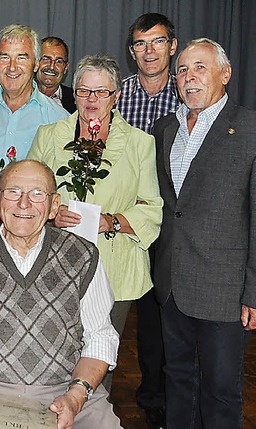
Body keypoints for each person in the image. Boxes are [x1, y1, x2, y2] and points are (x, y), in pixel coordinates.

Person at [0, 160, 121, 429]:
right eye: (13, 192)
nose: (24, 204)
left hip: (64, 389)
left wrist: (76, 397)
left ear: (53, 205)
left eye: (38, 194)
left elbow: (100, 337)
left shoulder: (83, 256)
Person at [27, 54, 163, 390]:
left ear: (116, 96)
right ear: (74, 94)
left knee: (101, 355)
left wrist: (112, 222)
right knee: (54, 349)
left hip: (115, 265)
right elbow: (27, 190)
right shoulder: (49, 135)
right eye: (85, 91)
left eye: (101, 93)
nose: (92, 100)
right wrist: (50, 211)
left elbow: (152, 207)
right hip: (55, 262)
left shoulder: (140, 144)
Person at [153, 38, 256, 428]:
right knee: (178, 380)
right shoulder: (164, 129)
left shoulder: (250, 129)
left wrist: (255, 291)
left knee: (220, 391)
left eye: (200, 67)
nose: (189, 77)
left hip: (225, 292)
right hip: (172, 286)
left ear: (225, 74)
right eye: (182, 70)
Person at [117, 13, 180, 429]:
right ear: (132, 51)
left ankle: (160, 395)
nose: (149, 51)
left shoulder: (190, 91)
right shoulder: (116, 95)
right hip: (124, 220)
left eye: (157, 42)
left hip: (173, 221)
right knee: (128, 310)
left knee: (164, 314)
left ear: (172, 46)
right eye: (141, 44)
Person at [0, 24, 68, 242]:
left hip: (37, 225)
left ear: (36, 64)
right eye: (4, 57)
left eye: (21, 57)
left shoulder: (59, 118)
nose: (12, 67)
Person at [36, 36, 76, 113]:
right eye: (46, 59)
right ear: (35, 62)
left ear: (66, 68)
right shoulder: (19, 96)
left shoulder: (76, 100)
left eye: (59, 61)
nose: (51, 67)